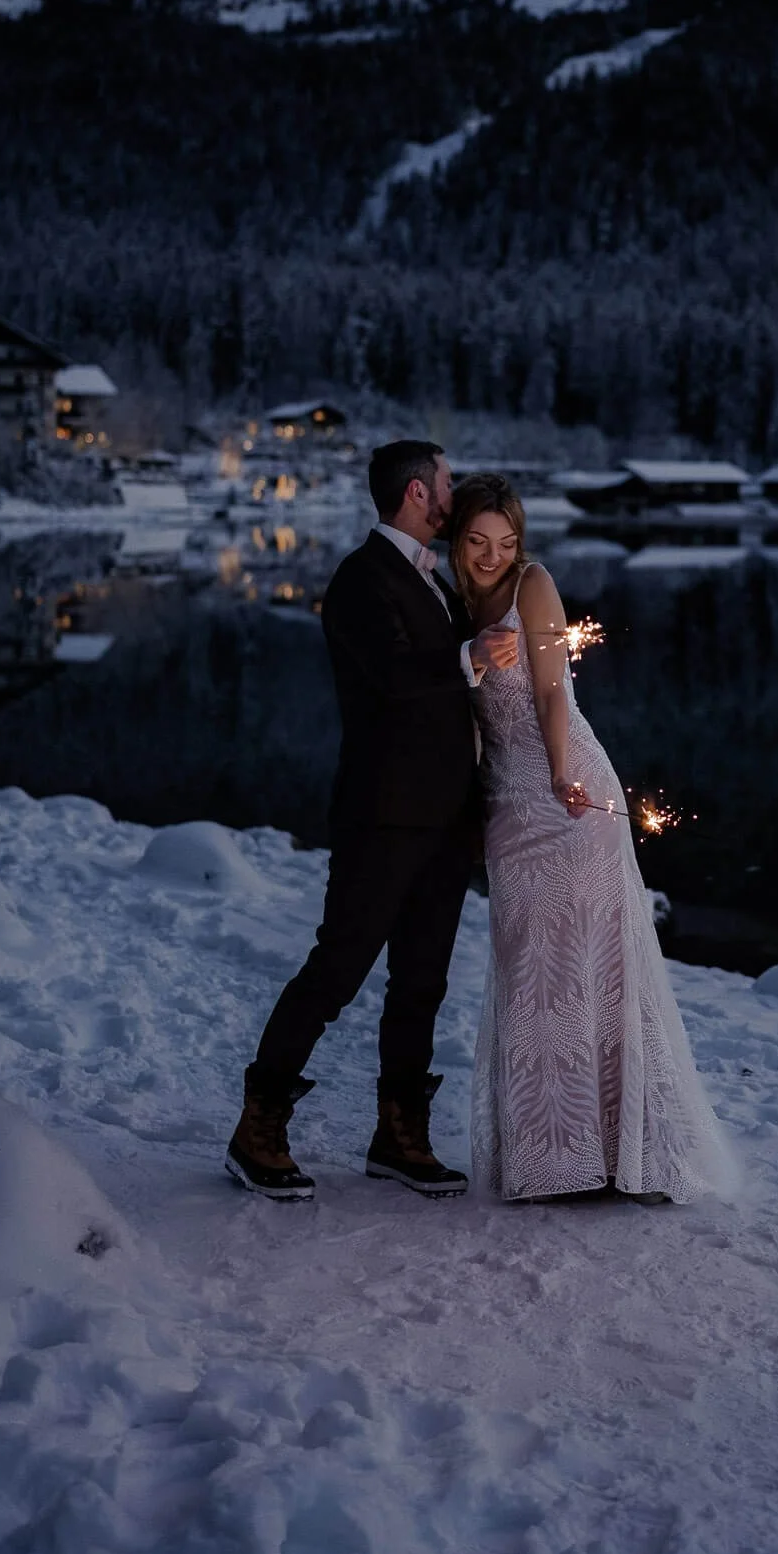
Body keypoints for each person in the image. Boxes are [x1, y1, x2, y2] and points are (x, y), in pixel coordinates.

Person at [225, 441, 517, 1201]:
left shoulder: (436, 581)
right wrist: (470, 656)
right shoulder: (360, 579)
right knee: (337, 970)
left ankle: (399, 1138)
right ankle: (257, 1129)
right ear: (418, 492)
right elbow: (393, 677)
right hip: (382, 816)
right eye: (445, 480)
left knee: (422, 982)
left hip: (447, 818)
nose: (452, 490)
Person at [450, 473, 734, 1205]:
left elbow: (551, 691)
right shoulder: (453, 600)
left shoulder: (533, 586)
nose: (491, 556)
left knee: (597, 968)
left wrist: (558, 774)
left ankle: (623, 1158)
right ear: (458, 540)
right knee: (531, 973)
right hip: (505, 802)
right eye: (478, 542)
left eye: (505, 542)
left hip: (566, 788)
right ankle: (550, 1161)